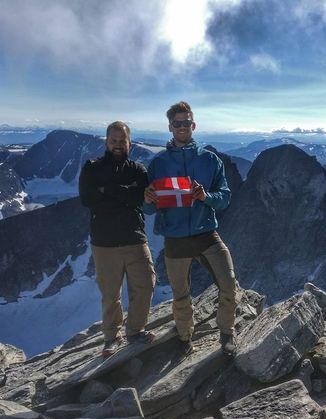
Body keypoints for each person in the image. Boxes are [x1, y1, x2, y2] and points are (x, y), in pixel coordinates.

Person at [144, 101, 237, 355]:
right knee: (181, 295)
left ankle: (226, 333)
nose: (182, 127)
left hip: (206, 234)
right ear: (170, 127)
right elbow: (149, 209)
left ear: (193, 125)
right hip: (175, 238)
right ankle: (185, 338)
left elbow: (225, 198)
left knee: (229, 285)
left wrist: (206, 197)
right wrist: (147, 199)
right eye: (178, 123)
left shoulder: (210, 160)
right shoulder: (158, 164)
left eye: (186, 122)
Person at [79, 121, 156, 357]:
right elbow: (87, 199)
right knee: (111, 294)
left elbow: (137, 199)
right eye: (114, 140)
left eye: (122, 141)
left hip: (134, 237)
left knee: (146, 284)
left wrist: (108, 190)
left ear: (129, 143)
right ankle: (112, 338)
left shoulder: (139, 170)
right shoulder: (92, 168)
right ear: (106, 142)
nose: (118, 145)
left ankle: (135, 330)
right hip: (105, 243)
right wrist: (126, 193)